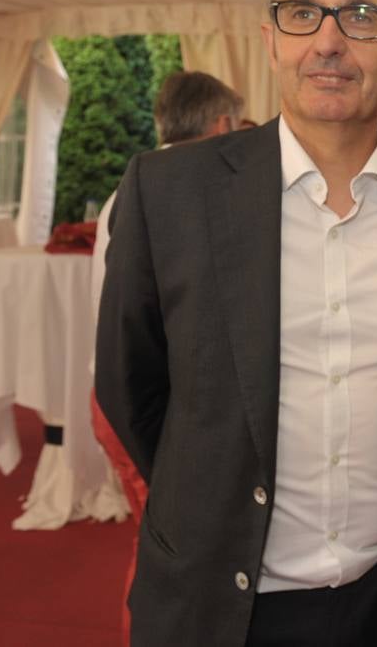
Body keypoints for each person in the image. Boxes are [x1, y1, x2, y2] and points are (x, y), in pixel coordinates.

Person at [95, 0, 377, 646]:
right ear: (271, 39)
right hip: (219, 601)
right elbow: (131, 384)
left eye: (362, 17)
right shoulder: (169, 193)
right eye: (303, 14)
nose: (330, 42)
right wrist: (207, 490)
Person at [89, 70, 244, 643]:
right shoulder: (162, 188)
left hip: (128, 388)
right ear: (223, 124)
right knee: (164, 544)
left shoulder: (136, 185)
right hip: (135, 392)